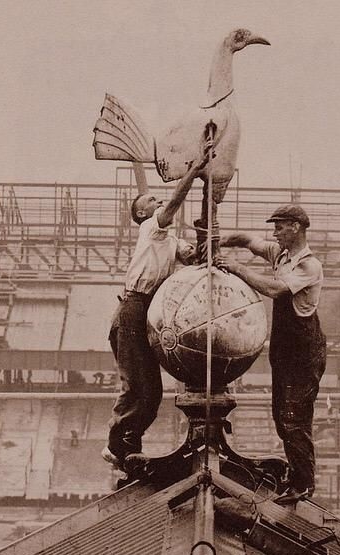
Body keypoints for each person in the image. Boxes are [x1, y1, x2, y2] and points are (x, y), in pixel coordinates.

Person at [102, 142, 213, 470]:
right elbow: (175, 202)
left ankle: (124, 448)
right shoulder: (151, 228)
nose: (157, 199)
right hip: (134, 308)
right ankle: (118, 446)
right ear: (141, 214)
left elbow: (193, 256)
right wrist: (194, 171)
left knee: (149, 391)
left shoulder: (169, 240)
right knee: (142, 387)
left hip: (145, 310)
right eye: (149, 200)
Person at [215, 204, 326, 504]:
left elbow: (275, 290)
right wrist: (216, 240)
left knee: (293, 419)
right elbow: (247, 240)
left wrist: (235, 268)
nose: (274, 232)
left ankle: (303, 484)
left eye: (279, 226)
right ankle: (296, 474)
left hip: (303, 353)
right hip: (285, 350)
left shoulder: (308, 265)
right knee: (281, 417)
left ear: (296, 227)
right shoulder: (281, 255)